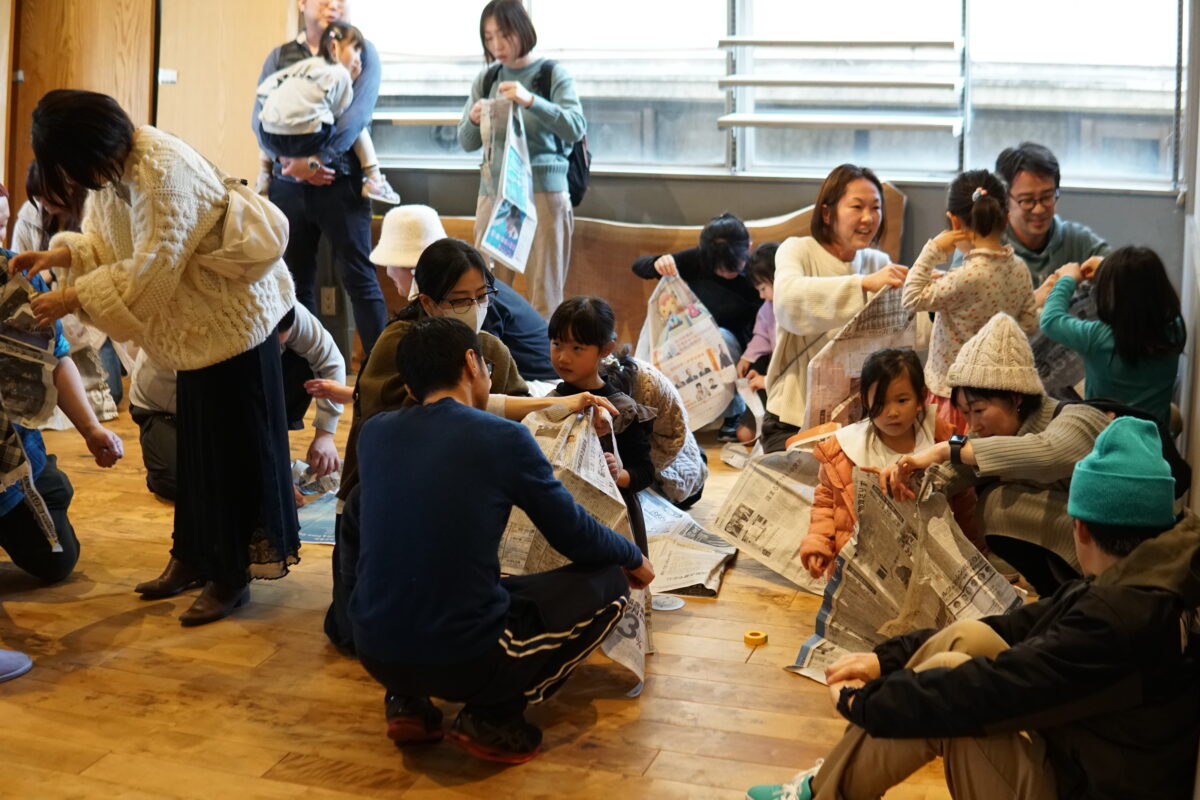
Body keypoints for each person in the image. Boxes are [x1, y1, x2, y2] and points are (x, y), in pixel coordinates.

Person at [747, 415, 1200, 800]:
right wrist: (886, 660)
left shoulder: (1119, 617)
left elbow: (995, 690)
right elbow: (1017, 626)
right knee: (969, 639)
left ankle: (824, 790)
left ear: (1079, 527)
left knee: (952, 709)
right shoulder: (1150, 580)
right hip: (1090, 758)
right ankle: (824, 786)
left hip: (1087, 783)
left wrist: (863, 703)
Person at [14, 89, 298, 626]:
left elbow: (151, 272)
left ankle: (231, 576)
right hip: (197, 331)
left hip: (236, 322)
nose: (70, 180)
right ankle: (192, 556)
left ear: (86, 147)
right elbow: (107, 246)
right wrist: (60, 253)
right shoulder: (116, 169)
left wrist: (70, 297)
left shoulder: (160, 168)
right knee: (198, 449)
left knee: (233, 453)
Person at [349, 316, 655, 763]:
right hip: (465, 655)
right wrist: (631, 555)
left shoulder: (375, 434)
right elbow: (572, 534)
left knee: (440, 575)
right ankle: (493, 716)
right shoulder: (501, 437)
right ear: (472, 363)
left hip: (373, 648)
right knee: (610, 580)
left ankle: (406, 701)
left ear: (410, 386)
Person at [880, 313, 1111, 597]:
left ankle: (1071, 596)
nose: (973, 425)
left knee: (996, 505)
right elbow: (952, 468)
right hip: (1083, 551)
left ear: (1016, 398)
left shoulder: (1076, 418)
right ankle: (1057, 595)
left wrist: (944, 448)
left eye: (978, 410)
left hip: (1124, 555)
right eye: (965, 413)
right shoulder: (993, 433)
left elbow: (1047, 454)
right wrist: (908, 479)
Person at [252, 0, 388, 357]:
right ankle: (303, 374)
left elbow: (355, 117)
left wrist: (313, 161)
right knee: (294, 283)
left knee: (360, 279)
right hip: (287, 186)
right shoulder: (280, 56)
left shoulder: (362, 50)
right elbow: (259, 117)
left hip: (343, 184)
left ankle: (383, 376)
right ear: (302, 4)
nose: (334, 5)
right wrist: (288, 161)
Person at [130, 304, 345, 501]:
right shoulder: (202, 334)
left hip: (229, 395)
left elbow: (331, 360)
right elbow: (219, 413)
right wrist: (267, 475)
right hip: (168, 409)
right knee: (184, 483)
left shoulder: (285, 307)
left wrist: (325, 435)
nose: (278, 350)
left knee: (299, 359)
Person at [764, 164, 909, 452]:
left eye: (876, 208)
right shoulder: (798, 250)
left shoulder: (878, 262)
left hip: (857, 418)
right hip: (793, 417)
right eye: (857, 206)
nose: (868, 217)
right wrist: (862, 284)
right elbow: (788, 302)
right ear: (827, 213)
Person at [801, 349, 978, 580]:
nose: (892, 412)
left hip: (930, 568)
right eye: (880, 402)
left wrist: (975, 552)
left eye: (902, 400)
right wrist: (818, 544)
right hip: (865, 569)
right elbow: (825, 501)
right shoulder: (844, 448)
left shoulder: (941, 438)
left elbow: (964, 501)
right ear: (865, 400)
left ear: (921, 396)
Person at [458, 0, 586, 318]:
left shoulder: (551, 74)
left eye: (504, 35)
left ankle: (545, 352)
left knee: (546, 294)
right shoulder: (487, 79)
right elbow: (466, 141)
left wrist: (532, 101)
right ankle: (494, 350)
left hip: (544, 193)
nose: (497, 46)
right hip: (495, 195)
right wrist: (474, 119)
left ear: (522, 30)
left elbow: (575, 127)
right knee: (488, 292)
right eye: (489, 38)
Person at [0, 266, 123, 585]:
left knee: (56, 559)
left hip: (11, 458)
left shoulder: (14, 276)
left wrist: (91, 429)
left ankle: (48, 483)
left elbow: (55, 358)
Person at [902, 169, 1038, 432]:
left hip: (955, 397)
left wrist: (933, 250)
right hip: (1001, 397)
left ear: (954, 222)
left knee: (950, 455)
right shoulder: (1020, 268)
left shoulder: (965, 277)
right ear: (1006, 218)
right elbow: (1029, 324)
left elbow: (911, 298)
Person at [371, 204, 557, 382]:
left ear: (415, 270)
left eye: (482, 296)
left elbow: (485, 380)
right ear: (427, 302)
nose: (388, 272)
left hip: (538, 380)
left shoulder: (482, 328)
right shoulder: (400, 335)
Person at [633, 212, 761, 440]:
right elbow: (639, 266)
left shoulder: (755, 274)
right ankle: (641, 398)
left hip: (734, 348)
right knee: (655, 323)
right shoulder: (698, 260)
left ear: (749, 248)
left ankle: (733, 411)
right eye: (719, 268)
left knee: (721, 336)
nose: (726, 273)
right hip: (687, 337)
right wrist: (658, 263)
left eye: (732, 268)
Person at [548, 296, 656, 552]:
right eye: (556, 344)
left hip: (612, 520)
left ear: (606, 349)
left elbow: (645, 471)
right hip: (562, 514)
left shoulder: (622, 409)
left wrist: (619, 475)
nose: (563, 357)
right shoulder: (549, 401)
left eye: (577, 348)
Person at [13, 161, 123, 414]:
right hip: (43, 315)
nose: (42, 202)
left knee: (110, 392)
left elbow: (106, 266)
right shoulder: (30, 216)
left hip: (88, 317)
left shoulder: (93, 211)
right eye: (37, 196)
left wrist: (53, 273)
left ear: (69, 187)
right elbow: (19, 268)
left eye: (46, 194)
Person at [255, 20, 398, 205]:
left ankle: (263, 176)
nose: (358, 59)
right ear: (334, 47)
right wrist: (350, 79)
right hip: (310, 138)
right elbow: (340, 110)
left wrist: (279, 105)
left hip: (270, 138)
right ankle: (375, 178)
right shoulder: (340, 73)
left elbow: (265, 89)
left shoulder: (308, 64)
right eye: (355, 50)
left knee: (272, 118)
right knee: (354, 124)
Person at [1040, 246, 1184, 427]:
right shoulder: (1174, 329)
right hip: (1155, 433)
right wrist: (1109, 270)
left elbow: (1050, 319)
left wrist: (1067, 279)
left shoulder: (1096, 338)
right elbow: (1143, 286)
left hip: (1105, 433)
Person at [736, 242, 778, 443]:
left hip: (787, 380)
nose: (761, 296)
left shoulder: (800, 307)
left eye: (763, 288)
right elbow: (762, 336)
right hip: (772, 373)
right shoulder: (767, 308)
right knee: (744, 435)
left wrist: (768, 380)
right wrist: (747, 358)